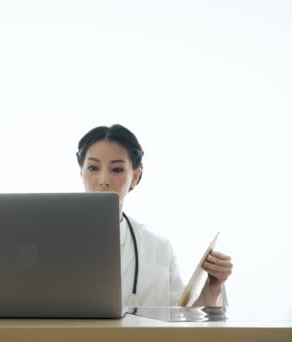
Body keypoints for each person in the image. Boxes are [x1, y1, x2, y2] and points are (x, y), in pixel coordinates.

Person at [76, 124, 233, 307]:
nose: (103, 180)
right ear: (81, 172)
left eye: (117, 169)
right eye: (93, 168)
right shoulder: (52, 240)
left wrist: (213, 287)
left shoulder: (158, 248)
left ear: (135, 176)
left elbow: (182, 321)